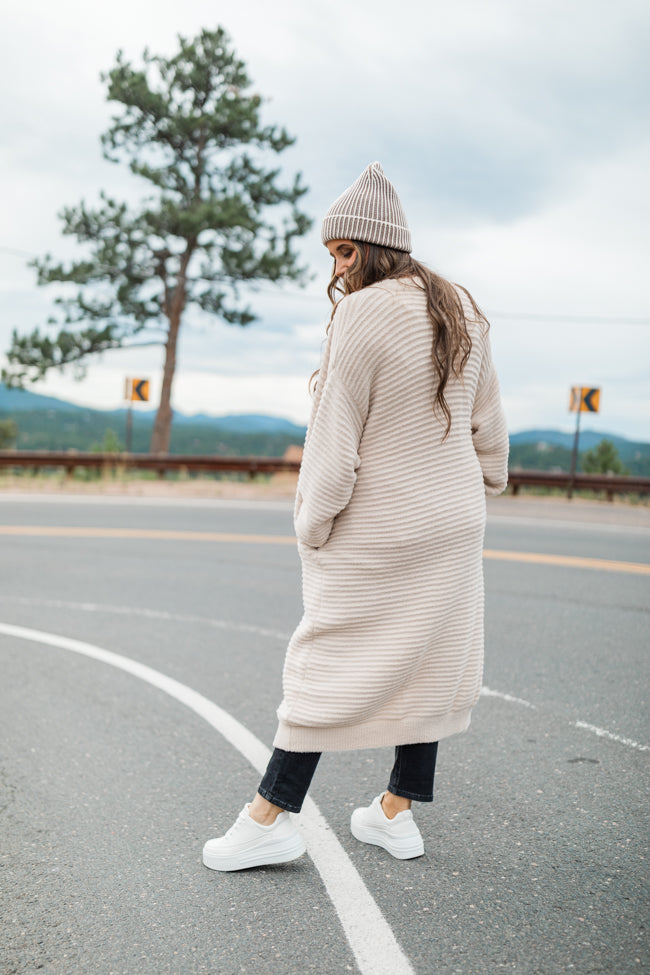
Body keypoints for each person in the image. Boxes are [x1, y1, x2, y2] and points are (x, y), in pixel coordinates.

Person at [203, 162, 509, 872]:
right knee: (428, 656)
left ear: (374, 246)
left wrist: (312, 523)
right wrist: (486, 476)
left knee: (325, 662)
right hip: (455, 517)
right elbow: (487, 416)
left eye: (344, 251)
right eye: (331, 254)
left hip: (385, 524)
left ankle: (268, 817)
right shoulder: (460, 303)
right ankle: (395, 814)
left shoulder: (362, 314)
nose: (337, 269)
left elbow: (334, 442)